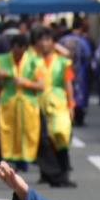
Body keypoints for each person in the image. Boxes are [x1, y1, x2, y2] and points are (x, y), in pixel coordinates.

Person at [0, 34, 43, 171]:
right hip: (7, 106)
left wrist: (26, 83)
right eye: (17, 50)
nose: (19, 54)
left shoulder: (33, 61)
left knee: (40, 140)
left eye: (23, 50)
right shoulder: (1, 60)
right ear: (12, 48)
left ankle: (52, 175)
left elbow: (41, 85)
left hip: (28, 107)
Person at [33, 27, 76, 189]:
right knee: (43, 138)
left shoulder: (62, 61)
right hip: (38, 102)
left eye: (47, 40)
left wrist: (71, 104)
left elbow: (68, 83)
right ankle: (46, 173)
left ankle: (63, 171)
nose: (44, 44)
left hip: (58, 102)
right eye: (41, 40)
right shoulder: (33, 61)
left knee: (61, 135)